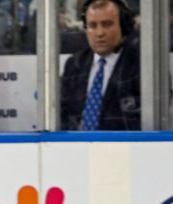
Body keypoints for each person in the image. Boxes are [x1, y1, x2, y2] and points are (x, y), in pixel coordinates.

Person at [60, 0, 140, 130]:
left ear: (123, 26)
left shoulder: (142, 65)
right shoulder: (74, 64)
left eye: (107, 24)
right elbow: (61, 116)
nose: (99, 33)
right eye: (92, 26)